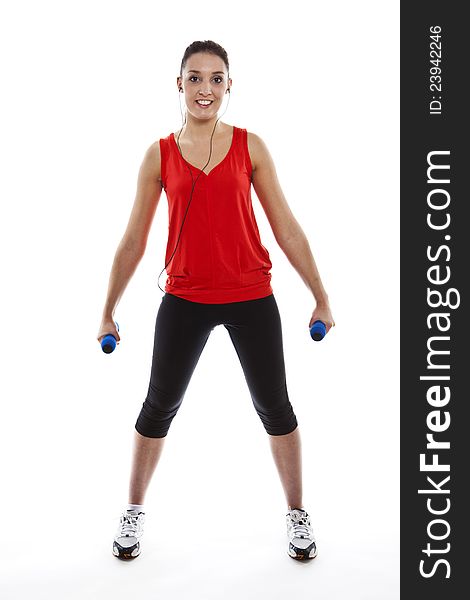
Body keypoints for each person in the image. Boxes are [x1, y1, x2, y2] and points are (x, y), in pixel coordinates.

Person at [97, 40, 335, 562]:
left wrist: (320, 297)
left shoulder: (251, 146)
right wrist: (108, 309)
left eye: (217, 78)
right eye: (196, 77)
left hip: (252, 295)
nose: (206, 88)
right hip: (185, 297)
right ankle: (133, 511)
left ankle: (297, 514)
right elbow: (134, 238)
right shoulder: (158, 154)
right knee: (159, 406)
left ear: (229, 86)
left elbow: (287, 228)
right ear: (178, 84)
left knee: (275, 407)